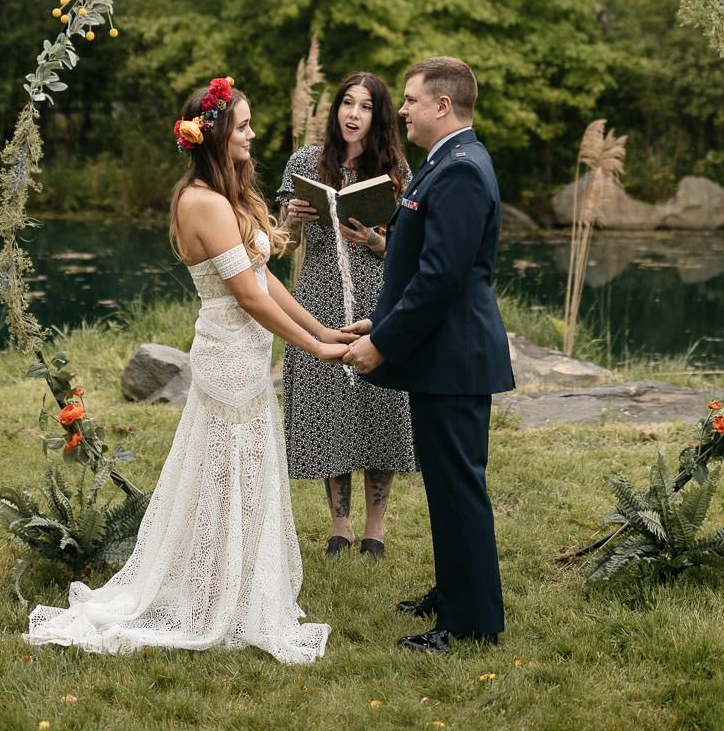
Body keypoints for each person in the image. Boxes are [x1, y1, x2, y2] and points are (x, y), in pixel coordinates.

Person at [26, 75, 360, 664]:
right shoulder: (201, 202)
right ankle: (210, 597)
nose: (254, 135)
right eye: (245, 126)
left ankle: (230, 586)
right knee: (222, 479)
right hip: (228, 357)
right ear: (214, 135)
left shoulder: (229, 195)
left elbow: (266, 281)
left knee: (247, 476)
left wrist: (323, 330)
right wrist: (319, 352)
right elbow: (248, 298)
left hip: (249, 356)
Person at [344, 57, 514, 652]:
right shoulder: (443, 162)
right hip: (442, 356)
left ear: (443, 106)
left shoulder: (463, 170)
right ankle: (454, 592)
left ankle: (470, 623)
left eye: (412, 100)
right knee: (446, 485)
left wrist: (383, 344)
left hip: (456, 358)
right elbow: (415, 266)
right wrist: (382, 318)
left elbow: (441, 279)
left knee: (458, 486)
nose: (403, 110)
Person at [273, 71, 415, 558]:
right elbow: (280, 245)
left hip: (378, 299)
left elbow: (411, 249)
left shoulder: (395, 167)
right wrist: (292, 219)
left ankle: (375, 527)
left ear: (379, 116)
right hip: (318, 298)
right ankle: (341, 525)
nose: (353, 114)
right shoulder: (306, 161)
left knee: (380, 408)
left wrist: (375, 240)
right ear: (336, 109)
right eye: (347, 103)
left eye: (366, 106)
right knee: (331, 406)